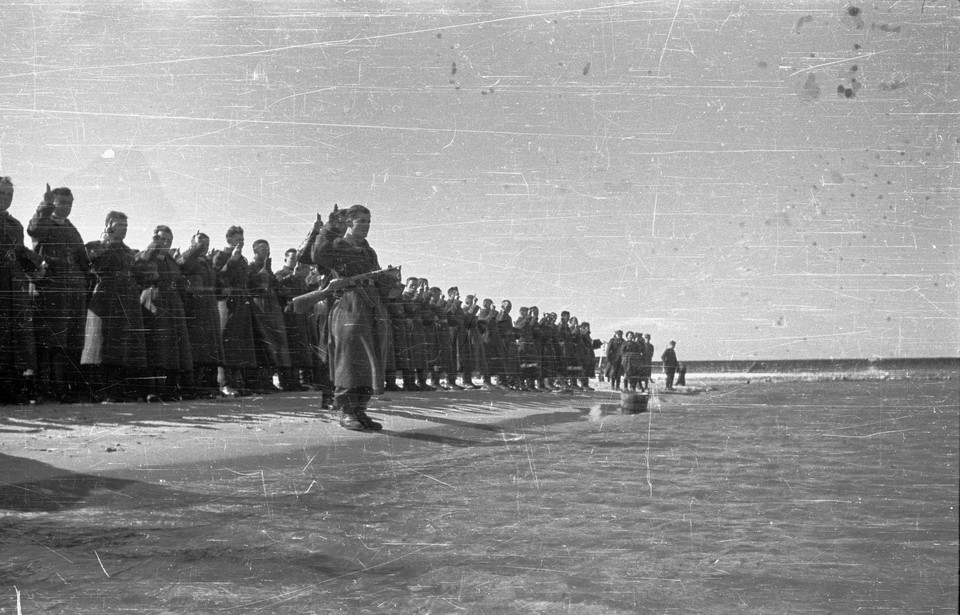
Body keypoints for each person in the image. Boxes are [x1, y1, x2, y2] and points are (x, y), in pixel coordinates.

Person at [311, 204, 392, 431]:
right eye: (361, 222)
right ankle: (346, 411)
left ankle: (360, 410)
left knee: (370, 357)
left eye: (369, 221)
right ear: (348, 223)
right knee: (349, 357)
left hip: (370, 305)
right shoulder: (338, 244)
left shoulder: (368, 250)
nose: (366, 226)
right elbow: (317, 254)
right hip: (349, 305)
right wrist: (328, 227)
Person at [28, 185, 90, 403]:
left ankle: (64, 388)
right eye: (62, 202)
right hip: (50, 291)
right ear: (53, 203)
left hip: (73, 292)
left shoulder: (72, 229)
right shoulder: (44, 222)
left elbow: (83, 259)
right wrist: (44, 207)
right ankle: (44, 389)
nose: (66, 207)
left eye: (70, 203)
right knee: (49, 342)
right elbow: (34, 231)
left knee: (71, 342)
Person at [81, 211, 148, 402]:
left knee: (122, 348)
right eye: (120, 225)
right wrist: (105, 243)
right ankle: (102, 391)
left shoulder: (128, 251)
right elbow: (89, 262)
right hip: (105, 298)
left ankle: (117, 390)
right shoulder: (95, 245)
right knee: (102, 347)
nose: (124, 229)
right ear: (109, 225)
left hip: (126, 301)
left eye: (126, 226)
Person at [139, 225, 194, 401]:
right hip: (153, 299)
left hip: (172, 302)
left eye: (168, 240)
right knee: (155, 346)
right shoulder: (146, 254)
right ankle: (152, 390)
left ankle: (169, 389)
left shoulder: (170, 260)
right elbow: (140, 268)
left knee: (173, 347)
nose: (165, 243)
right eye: (162, 239)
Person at [0, 177, 42, 404]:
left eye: (9, 195)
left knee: (15, 337)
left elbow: (19, 251)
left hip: (14, 287)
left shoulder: (15, 225)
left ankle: (12, 389)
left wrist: (36, 262)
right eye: (1, 193)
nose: (5, 198)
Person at [177, 231, 226, 399]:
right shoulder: (187, 258)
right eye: (200, 243)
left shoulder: (208, 263)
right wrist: (196, 249)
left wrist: (222, 289)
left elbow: (216, 284)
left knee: (211, 349)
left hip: (210, 310)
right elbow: (183, 265)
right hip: (194, 310)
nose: (204, 246)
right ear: (192, 244)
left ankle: (210, 387)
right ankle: (195, 387)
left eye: (206, 243)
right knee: (197, 350)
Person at [211, 226, 258, 396]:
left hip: (242, 302)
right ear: (229, 240)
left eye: (243, 239)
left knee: (241, 342)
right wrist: (232, 260)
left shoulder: (244, 260)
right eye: (238, 239)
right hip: (227, 303)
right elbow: (219, 280)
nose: (241, 242)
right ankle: (224, 383)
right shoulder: (220, 256)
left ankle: (237, 383)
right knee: (227, 341)